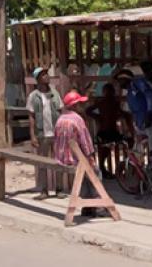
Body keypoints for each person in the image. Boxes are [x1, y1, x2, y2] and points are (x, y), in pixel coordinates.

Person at [53, 89, 101, 217]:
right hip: (75, 159)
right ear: (74, 105)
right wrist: (90, 157)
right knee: (95, 172)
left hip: (62, 158)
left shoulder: (60, 119)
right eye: (80, 103)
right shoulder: (77, 119)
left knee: (85, 177)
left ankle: (87, 207)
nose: (82, 106)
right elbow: (85, 142)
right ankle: (98, 205)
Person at [27, 67, 63, 197]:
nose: (47, 77)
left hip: (55, 133)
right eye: (43, 75)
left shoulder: (55, 93)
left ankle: (58, 189)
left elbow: (60, 111)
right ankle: (44, 190)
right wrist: (32, 135)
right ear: (38, 80)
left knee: (58, 161)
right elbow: (31, 116)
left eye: (46, 74)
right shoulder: (33, 96)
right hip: (42, 133)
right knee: (42, 162)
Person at [127, 60, 152, 161]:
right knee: (141, 143)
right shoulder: (141, 83)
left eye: (149, 69)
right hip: (142, 117)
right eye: (145, 70)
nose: (147, 72)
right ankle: (141, 166)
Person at [87, 80, 126, 178]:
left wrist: (99, 117)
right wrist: (99, 117)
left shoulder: (109, 102)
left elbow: (88, 111)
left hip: (109, 130)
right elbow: (88, 111)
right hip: (107, 130)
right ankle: (103, 169)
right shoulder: (107, 102)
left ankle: (108, 169)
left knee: (107, 149)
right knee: (106, 150)